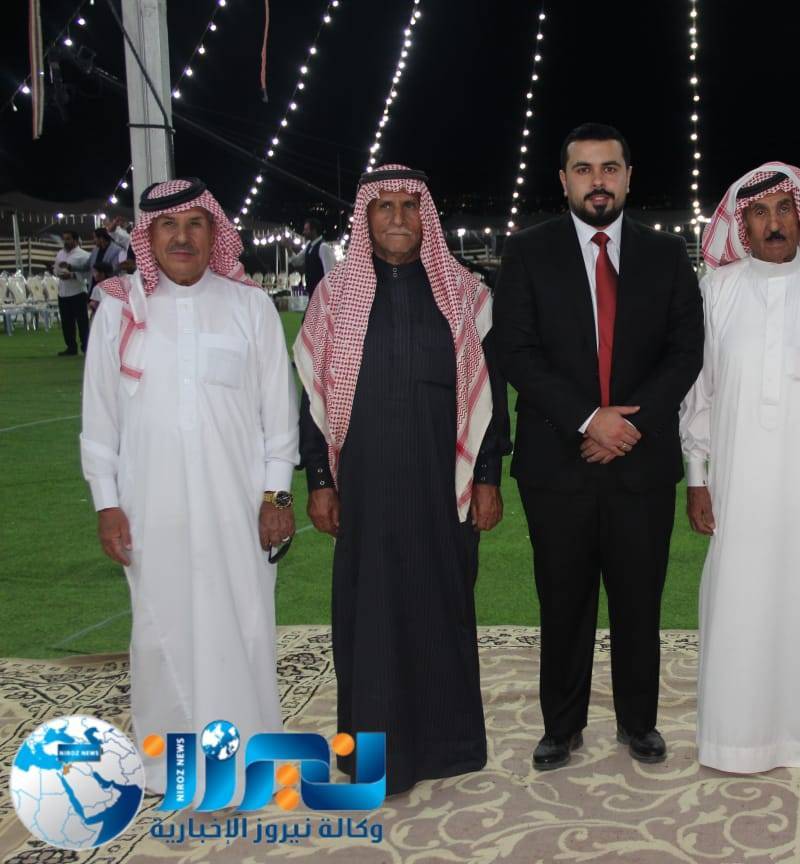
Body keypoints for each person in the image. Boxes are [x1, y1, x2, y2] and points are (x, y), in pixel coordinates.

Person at [294, 164, 510, 797]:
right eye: (383, 206)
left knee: (443, 605)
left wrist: (488, 476)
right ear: (365, 218)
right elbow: (311, 399)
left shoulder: (464, 295)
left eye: (409, 206)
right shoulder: (334, 298)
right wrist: (319, 480)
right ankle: (374, 755)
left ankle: (448, 746)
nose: (396, 217)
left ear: (426, 218)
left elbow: (491, 396)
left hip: (442, 486)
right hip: (363, 487)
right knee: (368, 617)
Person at [493, 123, 704, 770]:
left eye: (610, 168)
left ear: (629, 177)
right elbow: (515, 350)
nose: (598, 181)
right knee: (563, 600)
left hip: (641, 461)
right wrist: (589, 420)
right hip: (557, 464)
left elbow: (685, 351)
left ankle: (640, 723)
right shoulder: (527, 252)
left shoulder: (665, 255)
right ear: (564, 181)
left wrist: (626, 428)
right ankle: (561, 727)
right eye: (583, 170)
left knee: (640, 600)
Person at [80, 177, 297, 794]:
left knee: (244, 625)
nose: (182, 237)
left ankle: (248, 759)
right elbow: (99, 420)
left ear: (213, 233)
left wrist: (277, 497)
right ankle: (165, 765)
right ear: (147, 237)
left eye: (195, 224)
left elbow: (279, 417)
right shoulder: (119, 310)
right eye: (168, 226)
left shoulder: (249, 306)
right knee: (160, 630)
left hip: (239, 506)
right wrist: (106, 504)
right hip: (151, 506)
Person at [681, 162, 800, 773]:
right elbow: (700, 394)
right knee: (739, 603)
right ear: (742, 226)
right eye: (759, 213)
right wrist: (696, 478)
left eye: (783, 210)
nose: (773, 224)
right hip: (737, 487)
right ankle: (737, 739)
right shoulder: (718, 290)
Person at [54, 230, 91, 355]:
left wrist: (73, 275)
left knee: (82, 322)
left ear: (75, 240)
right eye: (64, 239)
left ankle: (86, 346)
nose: (66, 242)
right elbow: (56, 269)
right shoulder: (60, 253)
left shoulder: (84, 255)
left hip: (78, 292)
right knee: (66, 322)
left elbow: (88, 274)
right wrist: (58, 273)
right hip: (63, 292)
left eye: (68, 239)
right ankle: (71, 347)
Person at [288, 216, 336, 297]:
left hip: (321, 294)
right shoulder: (308, 245)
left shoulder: (323, 247)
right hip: (312, 292)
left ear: (314, 231)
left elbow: (329, 275)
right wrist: (287, 247)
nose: (303, 232)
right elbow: (296, 261)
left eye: (306, 230)